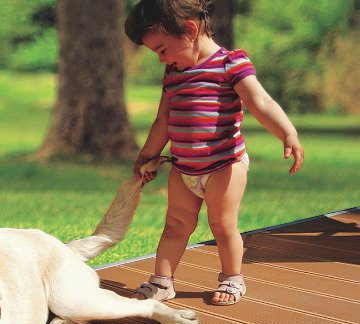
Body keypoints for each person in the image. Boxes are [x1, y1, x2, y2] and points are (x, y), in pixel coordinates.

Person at [125, 0, 304, 305]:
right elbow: (164, 120)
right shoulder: (173, 73)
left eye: (162, 49)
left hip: (225, 164)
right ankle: (163, 281)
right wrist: (147, 154)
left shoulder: (230, 65)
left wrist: (287, 132)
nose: (160, 59)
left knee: (222, 224)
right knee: (175, 224)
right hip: (183, 168)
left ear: (190, 30)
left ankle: (232, 277)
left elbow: (260, 102)